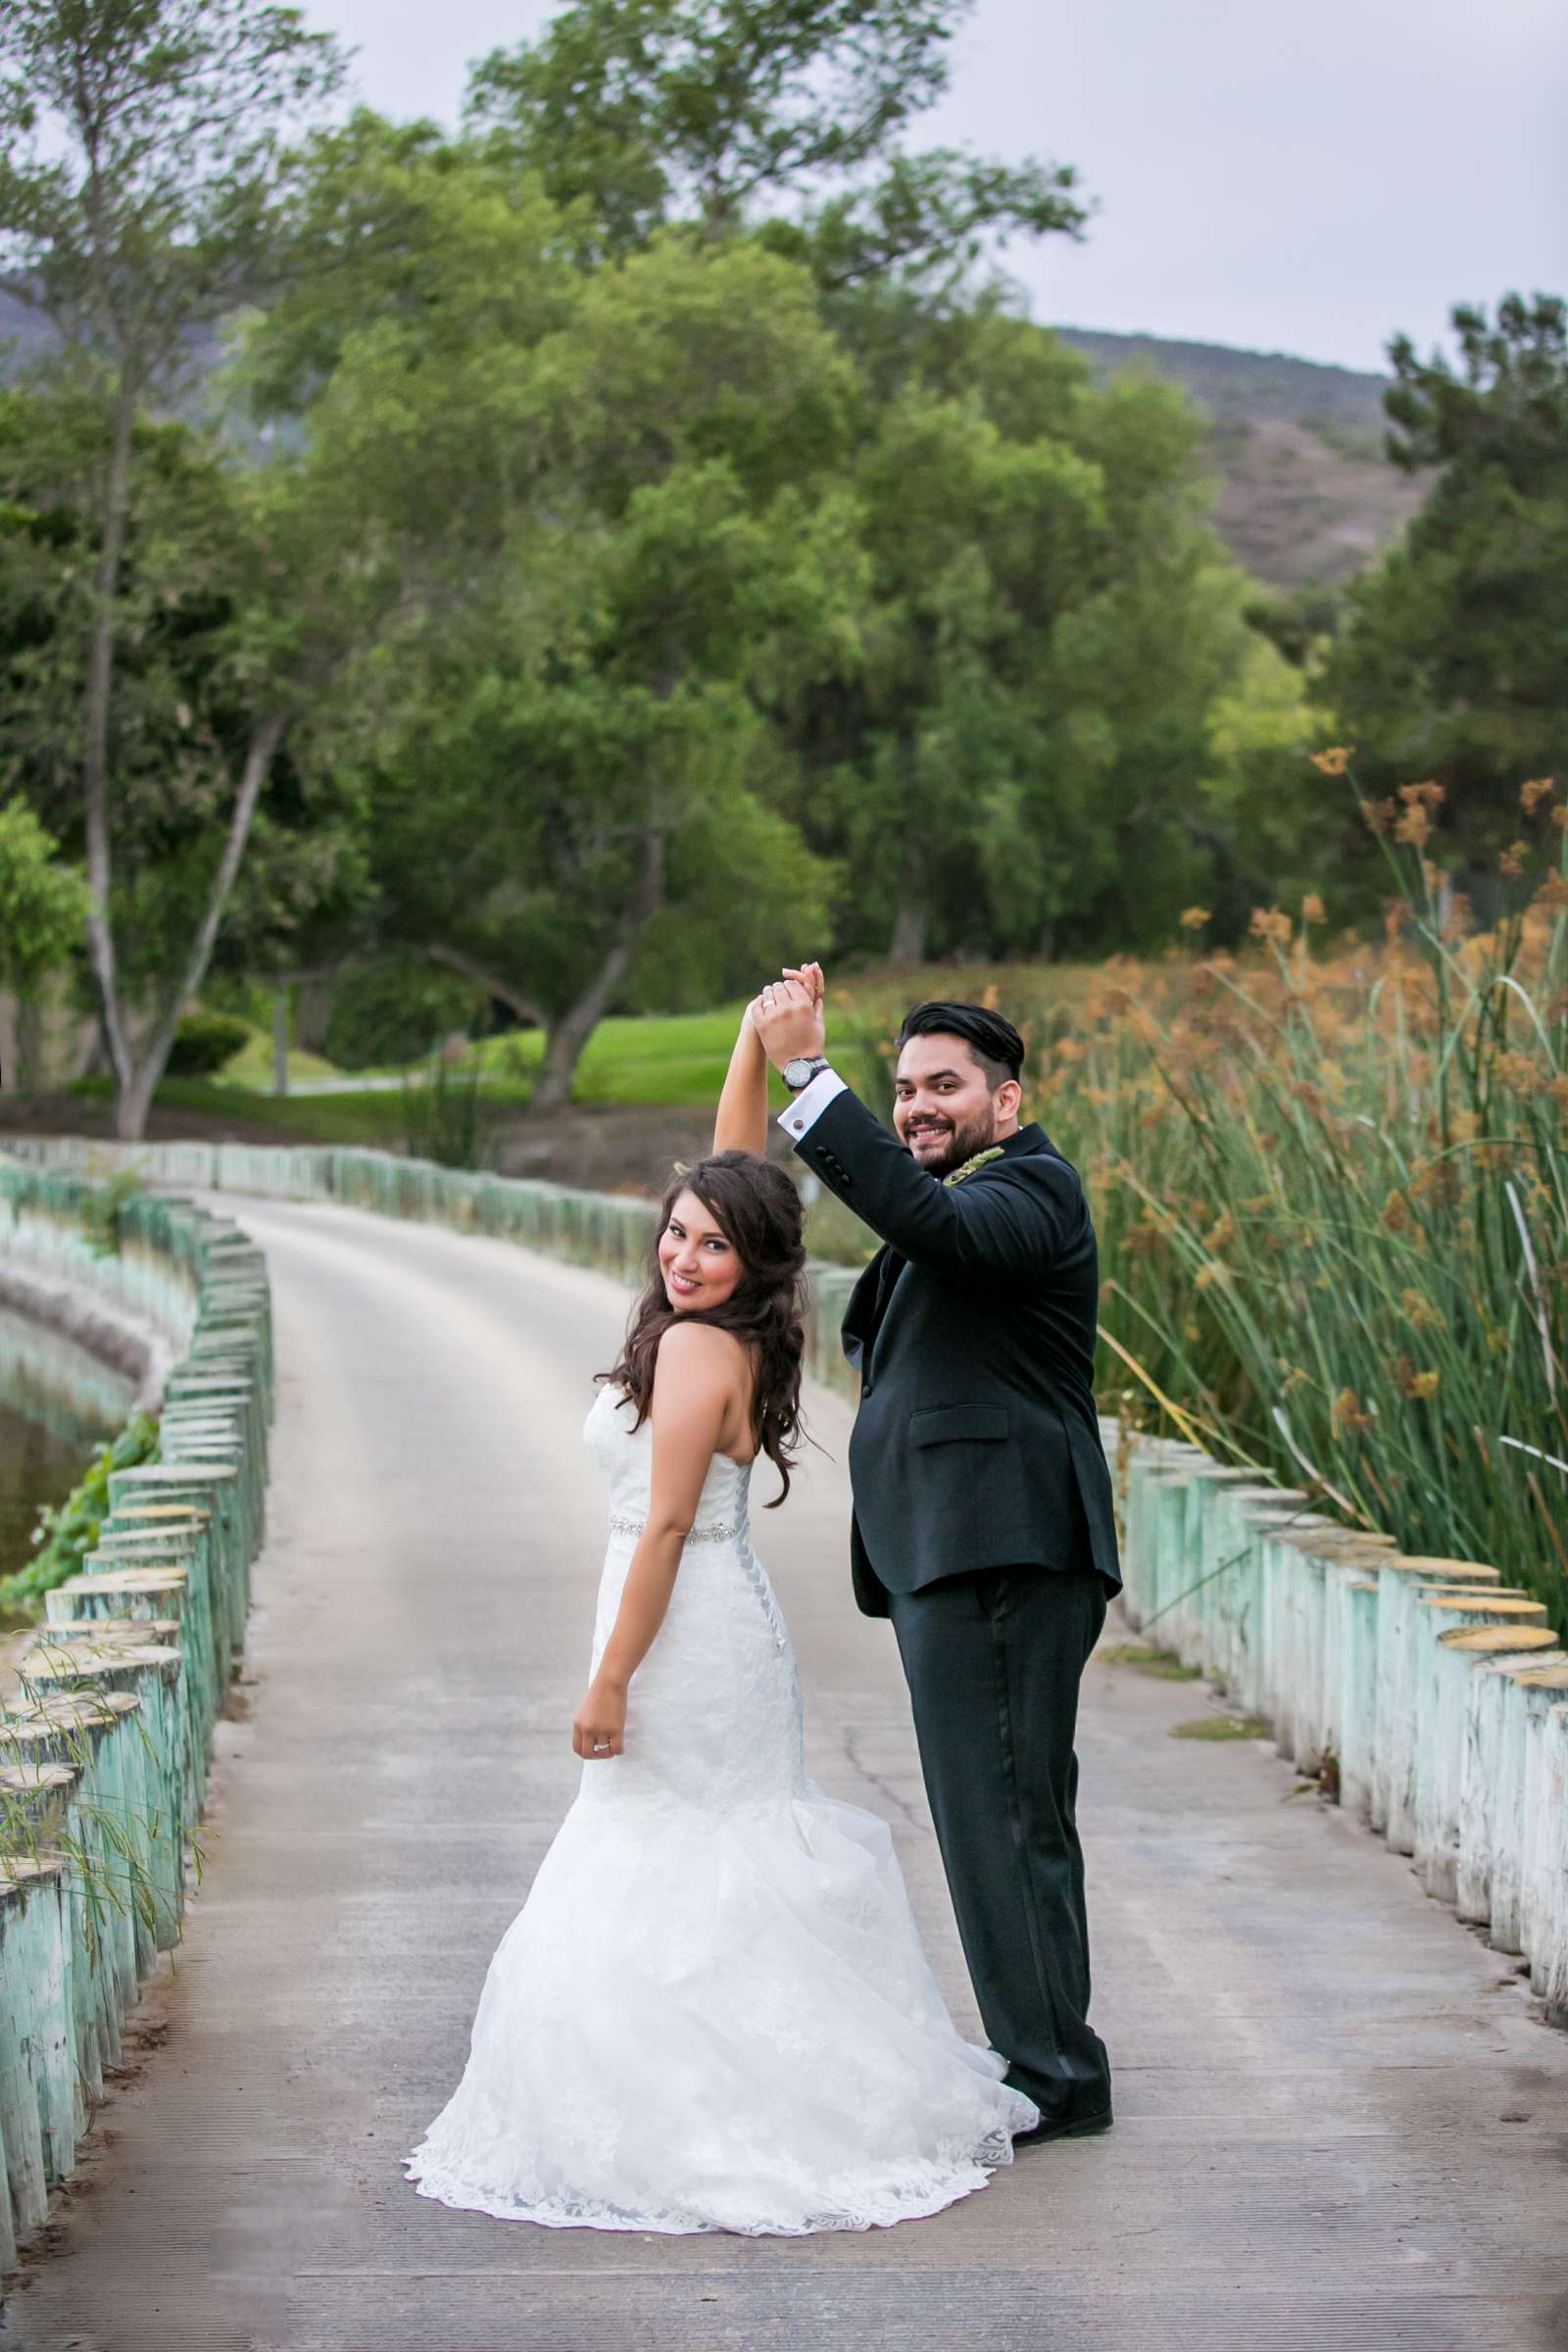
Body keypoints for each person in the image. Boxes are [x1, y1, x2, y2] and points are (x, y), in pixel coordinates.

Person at [405, 968, 1036, 2236]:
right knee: (686, 1855)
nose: (684, 1252)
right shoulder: (734, 1319)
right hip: (710, 1624)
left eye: (706, 1243)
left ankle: (709, 2115)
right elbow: (733, 1178)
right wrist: (752, 1042)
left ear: (743, 1263)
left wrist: (604, 1679)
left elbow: (668, 1531)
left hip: (685, 1628)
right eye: (673, 1234)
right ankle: (698, 2089)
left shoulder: (697, 1347)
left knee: (675, 1858)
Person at [751, 976, 1120, 2144]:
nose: (917, 1107)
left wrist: (813, 1080)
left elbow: (932, 1225)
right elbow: (914, 1226)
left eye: (942, 1088)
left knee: (1003, 1815)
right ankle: (1048, 2054)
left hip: (1002, 1547)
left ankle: (1053, 2071)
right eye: (904, 1088)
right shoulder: (966, 1194)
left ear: (1005, 1102)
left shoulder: (1031, 1190)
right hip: (958, 1550)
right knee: (994, 1814)